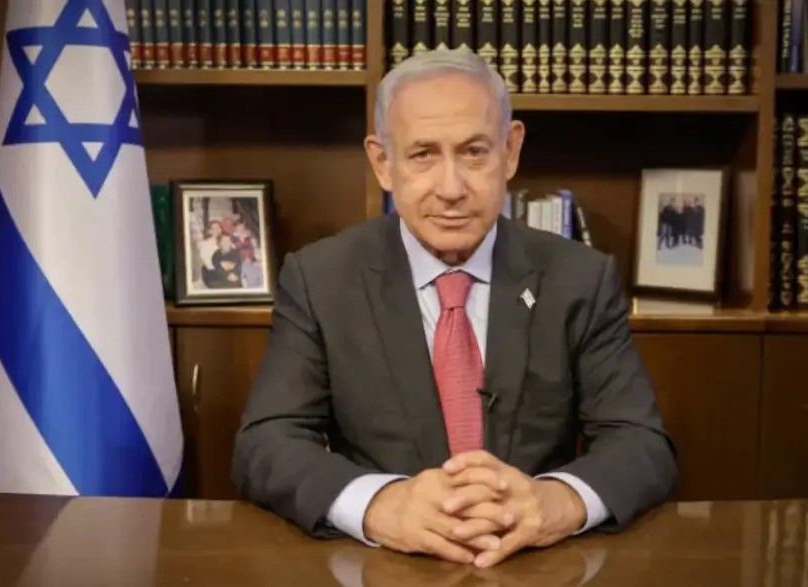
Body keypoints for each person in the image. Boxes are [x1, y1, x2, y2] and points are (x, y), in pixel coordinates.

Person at [232, 48, 676, 569]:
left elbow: (640, 442)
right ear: (383, 162)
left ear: (510, 152)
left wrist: (556, 501)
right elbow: (266, 443)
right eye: (423, 154)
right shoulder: (319, 279)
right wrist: (380, 504)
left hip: (532, 564)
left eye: (474, 152)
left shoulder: (579, 278)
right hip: (384, 566)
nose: (451, 189)